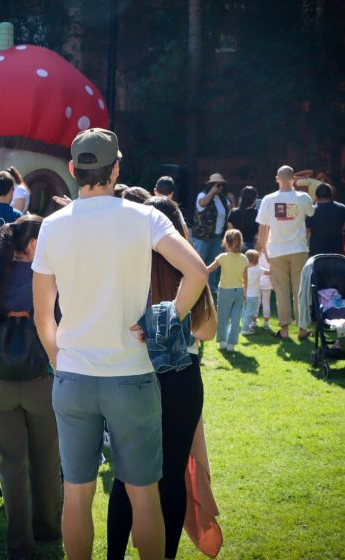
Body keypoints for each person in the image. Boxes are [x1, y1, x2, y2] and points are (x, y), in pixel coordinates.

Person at [32, 128, 208, 560]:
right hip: (132, 377)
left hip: (73, 377)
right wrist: (166, 318)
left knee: (77, 495)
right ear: (116, 170)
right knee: (144, 494)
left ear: (73, 169)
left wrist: (60, 362)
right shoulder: (144, 217)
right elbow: (197, 272)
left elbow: (43, 315)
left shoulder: (52, 226)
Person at [106, 196, 217, 560]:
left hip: (132, 377)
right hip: (182, 381)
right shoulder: (190, 270)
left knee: (126, 476)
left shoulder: (126, 265)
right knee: (171, 476)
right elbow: (207, 331)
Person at [0, 215, 62, 559]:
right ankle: (48, 529)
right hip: (42, 385)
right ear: (35, 244)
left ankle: (19, 544)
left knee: (11, 466)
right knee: (47, 460)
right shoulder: (50, 279)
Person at [256, 165, 315, 340]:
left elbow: (262, 229)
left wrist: (265, 251)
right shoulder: (303, 197)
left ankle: (284, 331)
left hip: (276, 250)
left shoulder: (268, 199)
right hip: (299, 249)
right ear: (294, 179)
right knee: (300, 290)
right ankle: (302, 329)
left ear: (277, 179)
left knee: (281, 291)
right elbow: (311, 212)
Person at [207, 229, 249, 351]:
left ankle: (222, 342)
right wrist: (245, 292)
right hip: (239, 291)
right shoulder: (244, 258)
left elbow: (208, 269)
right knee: (235, 320)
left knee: (223, 318)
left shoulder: (222, 257)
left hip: (225, 291)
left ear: (226, 242)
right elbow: (245, 278)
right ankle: (231, 344)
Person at [192, 173, 231, 293]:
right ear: (211, 185)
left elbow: (230, 209)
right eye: (217, 185)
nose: (220, 187)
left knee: (214, 262)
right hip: (203, 236)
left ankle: (211, 287)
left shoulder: (222, 198)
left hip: (218, 235)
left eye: (221, 185)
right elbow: (202, 203)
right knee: (200, 261)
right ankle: (196, 285)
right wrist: (212, 192)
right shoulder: (203, 195)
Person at [305, 182, 345, 256]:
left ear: (316, 196)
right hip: (336, 251)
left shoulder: (311, 211)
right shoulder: (342, 208)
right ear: (331, 195)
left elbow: (306, 232)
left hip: (316, 253)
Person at [227, 185, 259, 250]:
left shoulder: (233, 212)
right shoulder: (258, 214)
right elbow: (259, 234)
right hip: (252, 247)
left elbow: (230, 231)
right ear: (254, 199)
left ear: (242, 197)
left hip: (236, 246)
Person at [240, 249, 264, 335]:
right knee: (250, 314)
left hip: (243, 294)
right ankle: (245, 329)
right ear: (257, 260)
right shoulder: (258, 269)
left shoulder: (242, 269)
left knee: (244, 312)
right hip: (253, 296)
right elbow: (269, 272)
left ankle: (245, 326)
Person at [258, 251, 273, 329]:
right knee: (266, 302)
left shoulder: (255, 254)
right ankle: (266, 323)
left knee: (257, 302)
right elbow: (272, 269)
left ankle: (253, 322)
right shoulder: (270, 255)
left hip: (256, 281)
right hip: (267, 281)